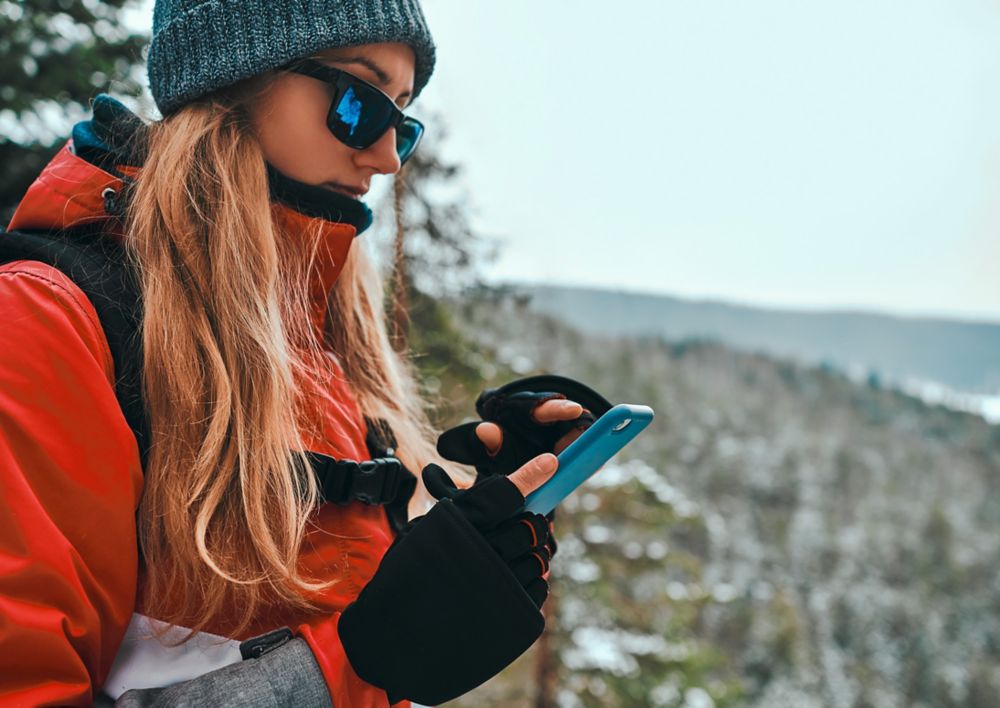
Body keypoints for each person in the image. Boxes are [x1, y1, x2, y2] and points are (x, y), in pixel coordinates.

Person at [0, 1, 603, 706]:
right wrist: (360, 661)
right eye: (360, 101)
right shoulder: (46, 322)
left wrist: (481, 526)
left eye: (403, 124)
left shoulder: (318, 342)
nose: (384, 157)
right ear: (231, 77)